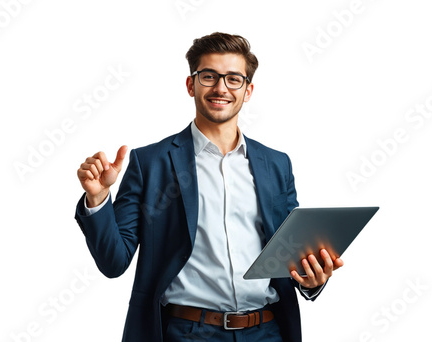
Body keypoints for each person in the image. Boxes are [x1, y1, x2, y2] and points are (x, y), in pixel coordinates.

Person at [75, 32, 343, 342]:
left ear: (248, 90)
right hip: (188, 333)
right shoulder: (149, 163)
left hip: (267, 331)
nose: (220, 88)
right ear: (191, 84)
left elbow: (289, 253)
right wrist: (98, 199)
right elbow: (113, 261)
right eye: (209, 76)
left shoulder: (276, 164)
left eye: (233, 79)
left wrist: (312, 279)